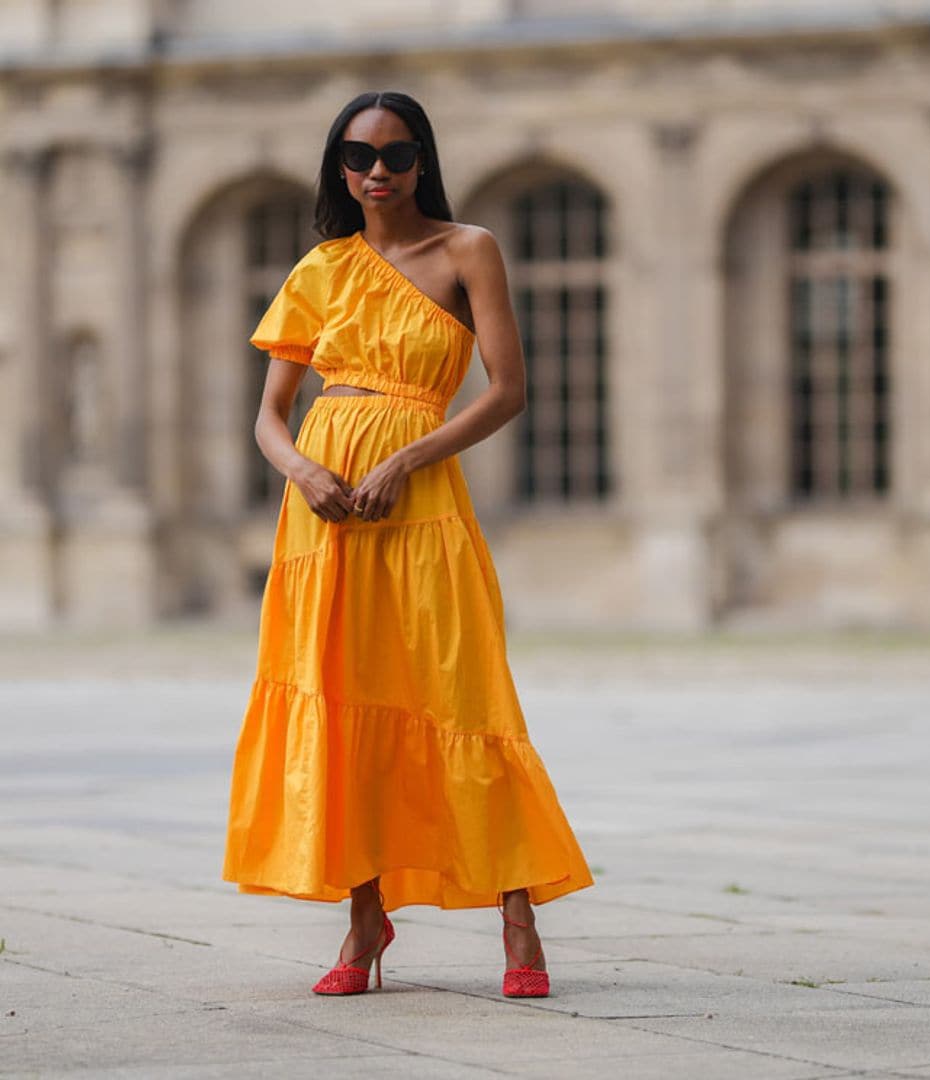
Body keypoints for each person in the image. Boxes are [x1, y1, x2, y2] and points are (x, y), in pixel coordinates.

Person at [221, 90, 594, 999]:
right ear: (337, 167)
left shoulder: (469, 250)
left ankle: (517, 912)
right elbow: (270, 418)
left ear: (422, 159)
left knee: (463, 693)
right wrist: (304, 474)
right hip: (323, 517)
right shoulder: (322, 266)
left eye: (393, 155)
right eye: (356, 156)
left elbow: (506, 391)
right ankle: (363, 919)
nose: (374, 172)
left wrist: (408, 457)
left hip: (421, 503)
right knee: (342, 696)